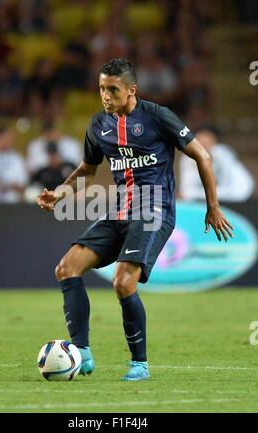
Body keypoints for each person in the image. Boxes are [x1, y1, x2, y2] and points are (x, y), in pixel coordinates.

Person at [37, 59, 234, 381]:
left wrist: (213, 205)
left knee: (123, 282)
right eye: (101, 88)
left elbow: (202, 154)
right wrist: (60, 193)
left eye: (112, 89)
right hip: (119, 211)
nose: (105, 95)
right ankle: (82, 351)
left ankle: (139, 364)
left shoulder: (158, 117)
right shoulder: (98, 124)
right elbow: (87, 170)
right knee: (66, 268)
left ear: (131, 90)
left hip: (154, 210)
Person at [179, 128, 255, 202]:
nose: (203, 146)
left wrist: (192, 194)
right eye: (199, 142)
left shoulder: (223, 153)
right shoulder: (187, 158)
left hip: (239, 194)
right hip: (210, 197)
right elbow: (185, 189)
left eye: (207, 143)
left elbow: (226, 187)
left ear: (214, 142)